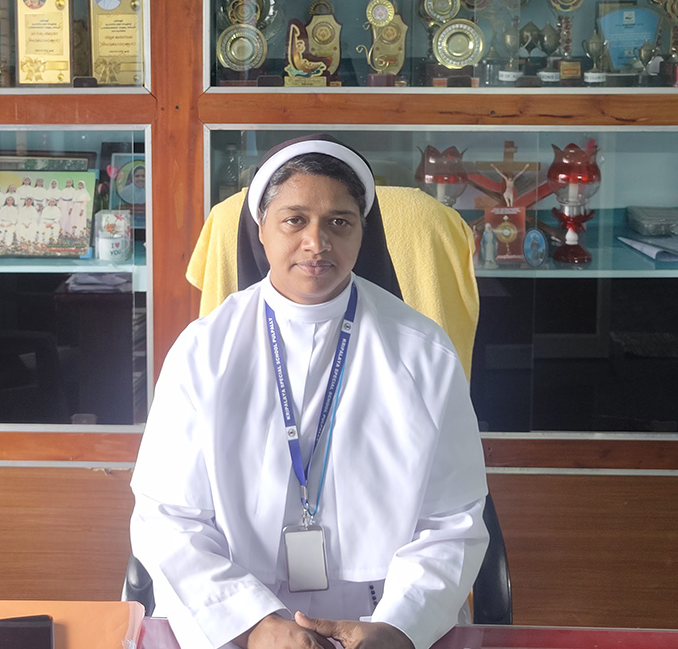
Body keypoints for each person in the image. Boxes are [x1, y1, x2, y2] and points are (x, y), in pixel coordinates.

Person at [130, 135, 488, 649]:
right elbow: (167, 516)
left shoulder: (422, 351)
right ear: (261, 229)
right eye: (294, 220)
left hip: (382, 617)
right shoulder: (204, 350)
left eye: (339, 222)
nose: (316, 243)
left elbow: (452, 519)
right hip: (235, 620)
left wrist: (399, 625)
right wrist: (253, 625)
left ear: (363, 232)